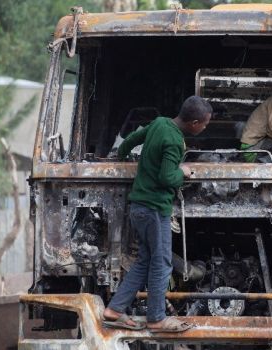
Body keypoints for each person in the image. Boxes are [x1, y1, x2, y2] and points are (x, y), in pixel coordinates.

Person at [102, 96, 212, 332]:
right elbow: (166, 177)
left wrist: (121, 154)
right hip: (154, 210)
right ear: (194, 122)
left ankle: (114, 310)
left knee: (144, 261)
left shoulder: (160, 123)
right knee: (162, 264)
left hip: (139, 208)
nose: (204, 128)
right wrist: (183, 172)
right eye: (204, 124)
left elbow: (132, 138)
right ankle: (157, 318)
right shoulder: (174, 140)